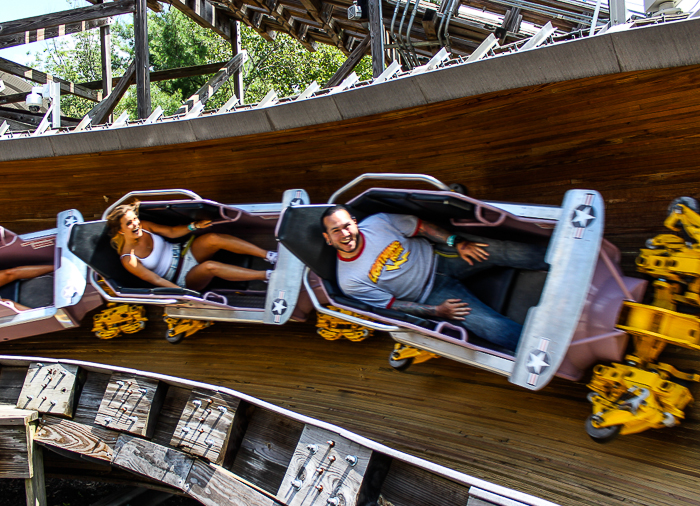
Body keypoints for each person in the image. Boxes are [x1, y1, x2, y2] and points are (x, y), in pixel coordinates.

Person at [321, 205, 548, 351]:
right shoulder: (349, 281)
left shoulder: (379, 222)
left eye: (347, 226)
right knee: (489, 326)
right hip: (432, 295)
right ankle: (543, 348)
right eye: (336, 231)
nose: (345, 234)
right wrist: (437, 312)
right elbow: (393, 306)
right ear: (328, 238)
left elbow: (421, 227)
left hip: (440, 255)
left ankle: (559, 260)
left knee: (501, 250)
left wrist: (457, 242)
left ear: (354, 222)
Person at [107, 201, 277, 292]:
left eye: (134, 219)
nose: (135, 224)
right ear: (120, 231)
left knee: (212, 238)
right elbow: (156, 280)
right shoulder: (129, 259)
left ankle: (269, 255)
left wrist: (194, 226)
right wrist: (183, 293)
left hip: (185, 253)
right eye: (129, 223)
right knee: (210, 267)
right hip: (182, 278)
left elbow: (171, 232)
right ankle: (266, 275)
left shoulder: (144, 225)